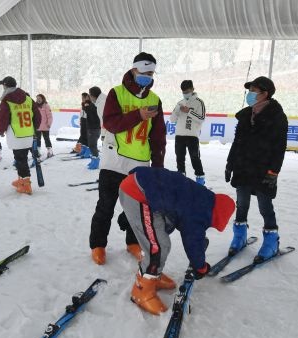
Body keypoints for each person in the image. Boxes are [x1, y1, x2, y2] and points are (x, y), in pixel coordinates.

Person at [118, 167, 235, 315]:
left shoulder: (202, 198)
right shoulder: (199, 213)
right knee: (158, 247)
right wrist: (200, 267)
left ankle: (154, 276)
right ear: (217, 216)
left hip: (140, 185)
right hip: (137, 193)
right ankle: (141, 291)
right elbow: (193, 242)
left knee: (160, 236)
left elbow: (172, 205)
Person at [89, 52, 167, 265]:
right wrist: (138, 115)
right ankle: (98, 245)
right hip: (113, 162)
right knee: (105, 206)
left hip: (139, 166)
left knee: (138, 210)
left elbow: (158, 137)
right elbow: (111, 124)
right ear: (134, 70)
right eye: (144, 72)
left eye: (151, 73)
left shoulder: (155, 100)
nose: (148, 76)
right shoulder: (116, 93)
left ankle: (133, 242)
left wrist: (157, 167)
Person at [225, 76, 287, 262]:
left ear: (265, 94)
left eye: (254, 91)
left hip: (263, 169)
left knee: (264, 206)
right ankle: (240, 236)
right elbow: (237, 142)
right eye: (249, 91)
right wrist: (230, 163)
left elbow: (279, 147)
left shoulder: (277, 116)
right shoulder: (245, 115)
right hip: (243, 166)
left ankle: (271, 241)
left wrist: (273, 171)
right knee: (241, 204)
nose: (250, 95)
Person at [0, 76, 41, 195]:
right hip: (28, 134)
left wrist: (0, 130)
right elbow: (37, 116)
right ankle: (21, 180)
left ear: (5, 85)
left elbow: (1, 118)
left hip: (15, 135)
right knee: (21, 158)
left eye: (3, 85)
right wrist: (34, 128)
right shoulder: (28, 98)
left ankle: (26, 184)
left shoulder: (6, 100)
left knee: (20, 159)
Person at [170, 80, 206, 184]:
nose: (185, 93)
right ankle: (181, 181)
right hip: (179, 136)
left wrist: (189, 112)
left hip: (192, 136)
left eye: (187, 91)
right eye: (183, 91)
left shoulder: (199, 102)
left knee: (195, 159)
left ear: (192, 89)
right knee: (179, 159)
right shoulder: (180, 103)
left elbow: (202, 118)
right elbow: (172, 120)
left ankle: (200, 181)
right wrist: (177, 110)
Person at [82, 89, 101, 169]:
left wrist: (86, 102)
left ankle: (96, 161)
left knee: (92, 145)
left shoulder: (93, 105)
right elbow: (85, 109)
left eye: (88, 96)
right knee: (91, 145)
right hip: (91, 127)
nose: (85, 99)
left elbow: (87, 110)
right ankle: (93, 159)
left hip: (94, 128)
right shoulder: (90, 105)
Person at [35, 94, 53, 158]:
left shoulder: (46, 106)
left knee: (47, 139)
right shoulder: (35, 106)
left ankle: (50, 150)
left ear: (42, 98)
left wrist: (49, 123)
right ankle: (38, 151)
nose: (38, 100)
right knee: (37, 139)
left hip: (45, 126)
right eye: (37, 98)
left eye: (39, 98)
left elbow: (50, 116)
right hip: (38, 126)